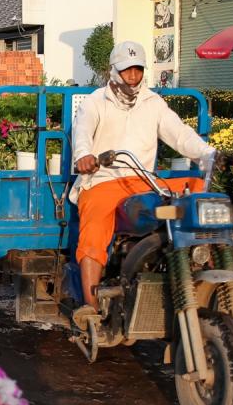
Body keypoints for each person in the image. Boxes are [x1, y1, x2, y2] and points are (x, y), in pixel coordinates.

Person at [69, 41, 214, 316]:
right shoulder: (95, 101)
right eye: (127, 71)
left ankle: (204, 266)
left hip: (144, 181)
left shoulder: (153, 102)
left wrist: (209, 155)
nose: (133, 76)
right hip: (101, 181)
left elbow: (179, 134)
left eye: (137, 70)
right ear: (114, 71)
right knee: (94, 231)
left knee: (197, 194)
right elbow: (82, 132)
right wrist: (84, 155)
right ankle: (90, 308)